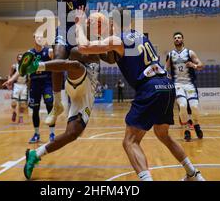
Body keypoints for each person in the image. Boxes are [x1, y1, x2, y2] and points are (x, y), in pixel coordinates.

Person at [74, 9, 205, 181]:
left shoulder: (117, 39)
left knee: (129, 141)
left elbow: (84, 47)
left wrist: (78, 25)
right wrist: (102, 35)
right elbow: (113, 57)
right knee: (163, 134)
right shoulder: (141, 36)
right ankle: (192, 173)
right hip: (167, 86)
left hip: (149, 88)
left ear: (114, 23)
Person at [5, 45, 106, 180]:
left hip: (88, 94)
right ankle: (35, 66)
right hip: (80, 79)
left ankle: (35, 154)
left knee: (72, 133)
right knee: (75, 64)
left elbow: (111, 58)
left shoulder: (102, 44)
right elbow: (75, 52)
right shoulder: (79, 45)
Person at [165, 32, 204, 142]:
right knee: (182, 105)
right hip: (177, 84)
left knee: (194, 107)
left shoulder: (189, 52)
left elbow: (201, 65)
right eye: (175, 38)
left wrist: (194, 65)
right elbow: (165, 68)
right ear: (173, 40)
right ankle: (187, 130)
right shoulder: (170, 54)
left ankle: (196, 124)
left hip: (189, 84)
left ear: (183, 39)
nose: (177, 39)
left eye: (179, 37)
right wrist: (166, 76)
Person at [25, 34, 56, 143]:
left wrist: (53, 55)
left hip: (46, 83)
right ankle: (36, 134)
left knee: (49, 105)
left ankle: (52, 133)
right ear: (33, 38)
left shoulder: (49, 51)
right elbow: (22, 69)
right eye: (37, 37)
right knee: (35, 110)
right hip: (34, 84)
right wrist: (11, 80)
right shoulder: (29, 53)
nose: (39, 39)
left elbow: (56, 62)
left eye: (41, 37)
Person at [8, 54, 28, 123]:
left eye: (21, 57)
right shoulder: (14, 66)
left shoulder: (27, 67)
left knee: (23, 104)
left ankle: (21, 117)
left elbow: (29, 78)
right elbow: (10, 75)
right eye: (19, 57)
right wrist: (9, 83)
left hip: (24, 85)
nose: (20, 58)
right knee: (14, 103)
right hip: (17, 85)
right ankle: (14, 112)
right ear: (17, 58)